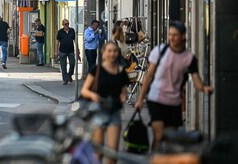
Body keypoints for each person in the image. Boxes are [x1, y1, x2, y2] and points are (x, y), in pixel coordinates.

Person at [134, 21, 213, 150]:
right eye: (170, 34)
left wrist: (204, 88)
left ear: (183, 36)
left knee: (171, 139)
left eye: (175, 35)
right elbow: (148, 77)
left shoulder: (189, 58)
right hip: (156, 99)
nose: (171, 38)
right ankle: (155, 158)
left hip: (174, 102)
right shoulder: (159, 51)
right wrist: (140, 100)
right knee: (159, 136)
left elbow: (197, 80)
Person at [81, 41, 129, 164]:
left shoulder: (121, 72)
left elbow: (124, 91)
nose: (112, 54)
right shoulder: (96, 70)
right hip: (98, 111)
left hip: (114, 112)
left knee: (112, 155)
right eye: (109, 51)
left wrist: (123, 97)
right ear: (104, 53)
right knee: (98, 153)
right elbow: (85, 90)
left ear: (118, 53)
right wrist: (93, 95)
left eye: (115, 51)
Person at [56, 19, 78, 85]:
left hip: (71, 50)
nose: (67, 25)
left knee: (72, 64)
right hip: (62, 51)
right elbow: (57, 41)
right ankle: (65, 79)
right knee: (63, 66)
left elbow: (75, 40)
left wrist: (78, 50)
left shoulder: (72, 30)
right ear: (63, 25)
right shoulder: (60, 32)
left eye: (68, 23)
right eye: (65, 24)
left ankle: (69, 75)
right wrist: (56, 51)